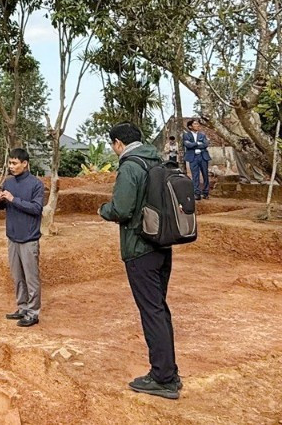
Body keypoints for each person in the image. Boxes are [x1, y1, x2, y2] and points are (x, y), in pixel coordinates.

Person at [98, 122, 180, 400]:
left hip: (139, 248)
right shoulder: (156, 161)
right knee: (159, 309)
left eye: (112, 144)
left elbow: (121, 209)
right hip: (162, 244)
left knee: (151, 312)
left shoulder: (130, 166)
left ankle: (163, 378)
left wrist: (103, 210)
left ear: (118, 143)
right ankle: (169, 372)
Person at [0, 148, 44, 328]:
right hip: (13, 237)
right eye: (10, 163)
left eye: (14, 163)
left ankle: (33, 312)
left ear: (25, 163)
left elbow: (36, 209)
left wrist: (13, 199)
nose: (11, 166)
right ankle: (22, 308)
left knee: (31, 278)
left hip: (29, 238)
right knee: (18, 277)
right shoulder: (8, 183)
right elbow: (1, 207)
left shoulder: (36, 184)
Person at [183, 118, 211, 200]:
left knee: (205, 174)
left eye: (198, 124)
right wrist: (197, 143)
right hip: (193, 157)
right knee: (195, 175)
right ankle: (197, 193)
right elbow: (188, 145)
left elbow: (205, 144)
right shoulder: (186, 135)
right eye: (195, 124)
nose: (197, 125)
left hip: (203, 156)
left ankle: (206, 192)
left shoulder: (202, 135)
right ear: (190, 126)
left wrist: (194, 145)